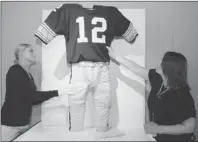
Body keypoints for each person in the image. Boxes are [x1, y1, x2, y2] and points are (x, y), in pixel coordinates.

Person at [34, 3, 138, 132]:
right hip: (93, 67)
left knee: (86, 105)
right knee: (97, 104)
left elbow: (44, 33)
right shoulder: (111, 12)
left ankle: (92, 134)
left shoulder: (68, 10)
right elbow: (131, 34)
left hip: (87, 67)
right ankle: (86, 134)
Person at [107, 46, 196, 142]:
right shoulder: (159, 80)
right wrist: (116, 57)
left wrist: (158, 129)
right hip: (157, 139)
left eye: (162, 62)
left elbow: (190, 127)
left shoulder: (183, 95)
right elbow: (137, 69)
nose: (158, 63)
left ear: (169, 69)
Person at [1, 43, 60, 141]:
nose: (34, 54)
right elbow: (33, 96)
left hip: (23, 124)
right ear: (21, 53)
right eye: (30, 51)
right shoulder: (15, 71)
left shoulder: (29, 75)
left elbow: (32, 100)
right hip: (10, 126)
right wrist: (56, 93)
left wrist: (55, 99)